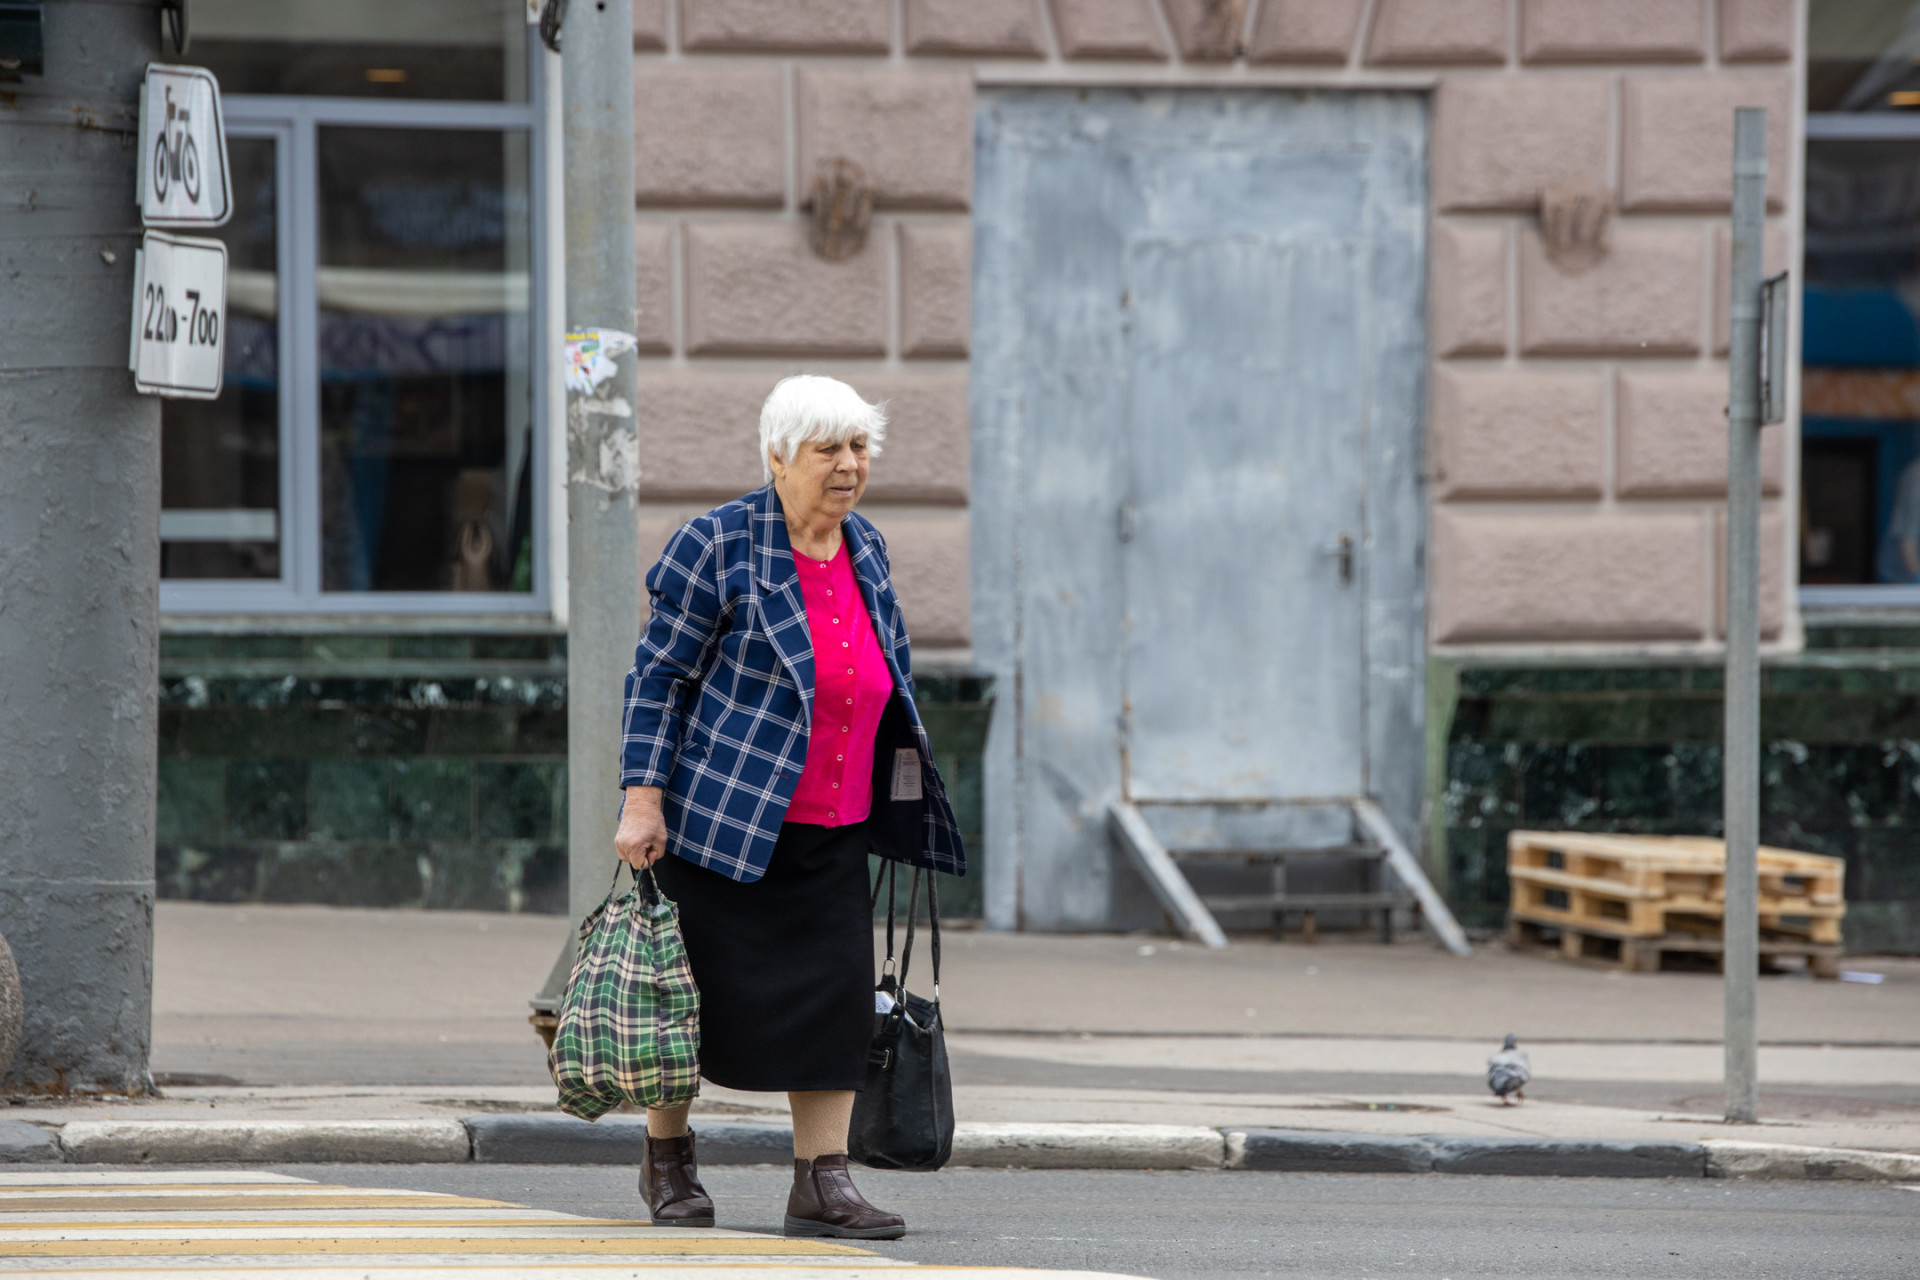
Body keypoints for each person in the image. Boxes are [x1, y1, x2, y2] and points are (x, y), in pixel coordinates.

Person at [614, 374, 966, 1240]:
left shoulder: (867, 546)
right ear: (778, 456)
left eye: (858, 448)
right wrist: (642, 801)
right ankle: (668, 1163)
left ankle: (822, 1183)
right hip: (725, 825)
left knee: (836, 1007)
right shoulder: (718, 543)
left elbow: (886, 667)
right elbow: (658, 680)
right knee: (688, 1002)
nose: (848, 467)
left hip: (835, 825)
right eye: (828, 450)